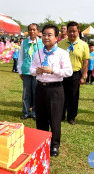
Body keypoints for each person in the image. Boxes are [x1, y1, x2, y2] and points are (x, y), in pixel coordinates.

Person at [30, 24, 72, 157]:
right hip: (40, 88)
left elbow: (68, 72)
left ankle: (54, 145)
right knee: (40, 118)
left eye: (49, 35)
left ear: (56, 37)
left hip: (55, 89)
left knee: (54, 118)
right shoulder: (38, 52)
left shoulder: (62, 53)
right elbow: (31, 69)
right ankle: (42, 142)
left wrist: (52, 70)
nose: (46, 37)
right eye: (44, 35)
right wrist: (36, 70)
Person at [58, 21, 90, 125]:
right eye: (70, 31)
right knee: (61, 95)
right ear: (66, 31)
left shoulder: (84, 45)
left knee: (73, 97)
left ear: (78, 31)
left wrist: (84, 76)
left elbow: (86, 61)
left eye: (74, 31)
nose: (72, 33)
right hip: (62, 74)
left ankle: (71, 117)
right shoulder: (61, 43)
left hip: (75, 74)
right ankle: (61, 115)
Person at [17, 23, 44, 120]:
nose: (32, 31)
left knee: (36, 93)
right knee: (26, 93)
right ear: (28, 31)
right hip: (26, 71)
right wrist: (20, 70)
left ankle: (35, 113)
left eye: (34, 30)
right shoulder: (24, 43)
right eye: (30, 30)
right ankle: (26, 112)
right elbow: (20, 57)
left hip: (37, 72)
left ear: (37, 31)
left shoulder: (41, 42)